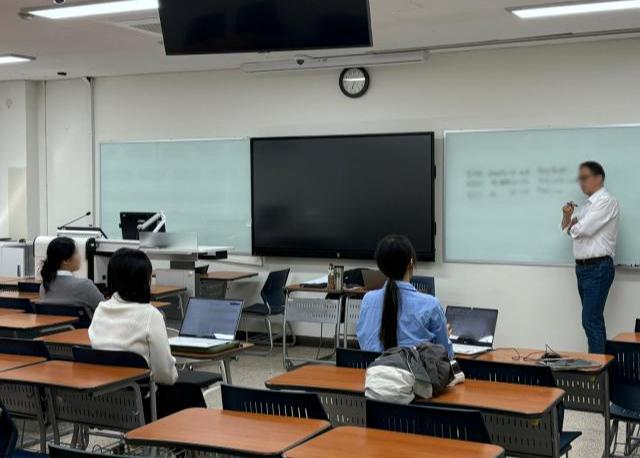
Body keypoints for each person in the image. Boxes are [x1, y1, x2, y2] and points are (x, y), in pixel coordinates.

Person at [89, 248, 205, 418]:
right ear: (144, 280)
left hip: (103, 402)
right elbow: (165, 375)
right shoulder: (150, 315)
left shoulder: (101, 309)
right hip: (141, 407)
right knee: (191, 393)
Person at [357, 234, 454, 358]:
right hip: (415, 371)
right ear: (411, 262)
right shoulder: (431, 304)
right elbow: (446, 355)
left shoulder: (368, 300)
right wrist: (444, 336)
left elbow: (364, 342)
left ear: (381, 266)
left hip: (374, 369)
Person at [561, 161, 619, 354]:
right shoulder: (587, 206)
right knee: (593, 321)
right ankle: (600, 366)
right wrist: (567, 216)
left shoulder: (606, 201)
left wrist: (573, 226)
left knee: (590, 321)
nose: (581, 182)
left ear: (598, 178)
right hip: (583, 269)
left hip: (598, 268)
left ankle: (597, 368)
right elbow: (566, 228)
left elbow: (581, 230)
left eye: (585, 177)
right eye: (580, 178)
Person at [39, 236, 104, 311]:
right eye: (76, 253)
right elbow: (106, 310)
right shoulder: (85, 285)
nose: (80, 256)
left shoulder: (44, 286)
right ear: (65, 261)